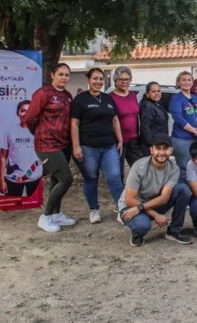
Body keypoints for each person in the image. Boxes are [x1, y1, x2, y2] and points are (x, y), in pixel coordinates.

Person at [70, 67, 125, 224]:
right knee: (91, 178)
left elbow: (115, 120)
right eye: (95, 78)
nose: (98, 81)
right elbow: (74, 124)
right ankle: (94, 210)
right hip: (88, 147)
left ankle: (122, 209)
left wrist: (120, 140)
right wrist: (76, 146)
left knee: (115, 177)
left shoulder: (108, 99)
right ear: (88, 80)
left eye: (101, 79)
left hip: (109, 146)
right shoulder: (80, 99)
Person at [118, 133, 193, 246]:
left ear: (171, 151)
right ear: (151, 150)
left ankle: (174, 231)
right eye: (158, 148)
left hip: (152, 203)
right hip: (131, 206)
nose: (161, 152)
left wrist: (144, 209)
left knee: (183, 189)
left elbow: (164, 198)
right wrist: (155, 215)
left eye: (165, 148)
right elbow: (129, 200)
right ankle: (137, 233)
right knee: (142, 226)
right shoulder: (139, 166)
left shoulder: (174, 168)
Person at [26, 63, 76, 232]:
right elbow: (30, 117)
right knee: (66, 179)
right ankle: (45, 217)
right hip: (46, 144)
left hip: (63, 144)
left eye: (67, 75)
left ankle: (56, 214)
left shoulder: (68, 95)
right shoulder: (43, 93)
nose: (64, 78)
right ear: (52, 75)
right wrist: (40, 132)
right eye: (60, 74)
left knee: (56, 179)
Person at [169, 70, 197, 172]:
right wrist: (194, 131)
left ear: (192, 82)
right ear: (178, 82)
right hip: (182, 140)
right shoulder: (176, 98)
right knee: (186, 167)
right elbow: (178, 118)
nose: (187, 82)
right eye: (183, 80)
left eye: (189, 80)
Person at [4, 100, 43, 197]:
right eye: (22, 111)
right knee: (12, 204)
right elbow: (2, 156)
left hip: (35, 177)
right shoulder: (9, 131)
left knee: (33, 205)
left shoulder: (40, 130)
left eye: (29, 110)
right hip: (14, 178)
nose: (26, 114)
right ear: (18, 113)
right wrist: (1, 180)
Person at [109, 66, 143, 178]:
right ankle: (120, 190)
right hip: (118, 141)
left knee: (140, 170)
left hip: (134, 140)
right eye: (121, 79)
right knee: (118, 173)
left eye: (127, 79)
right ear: (115, 80)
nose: (124, 82)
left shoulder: (133, 96)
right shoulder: (110, 97)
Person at [139, 82, 169, 150]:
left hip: (159, 142)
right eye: (153, 91)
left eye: (158, 91)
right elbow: (145, 128)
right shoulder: (147, 106)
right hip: (152, 145)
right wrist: (152, 144)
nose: (157, 93)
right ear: (147, 94)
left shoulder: (156, 103)